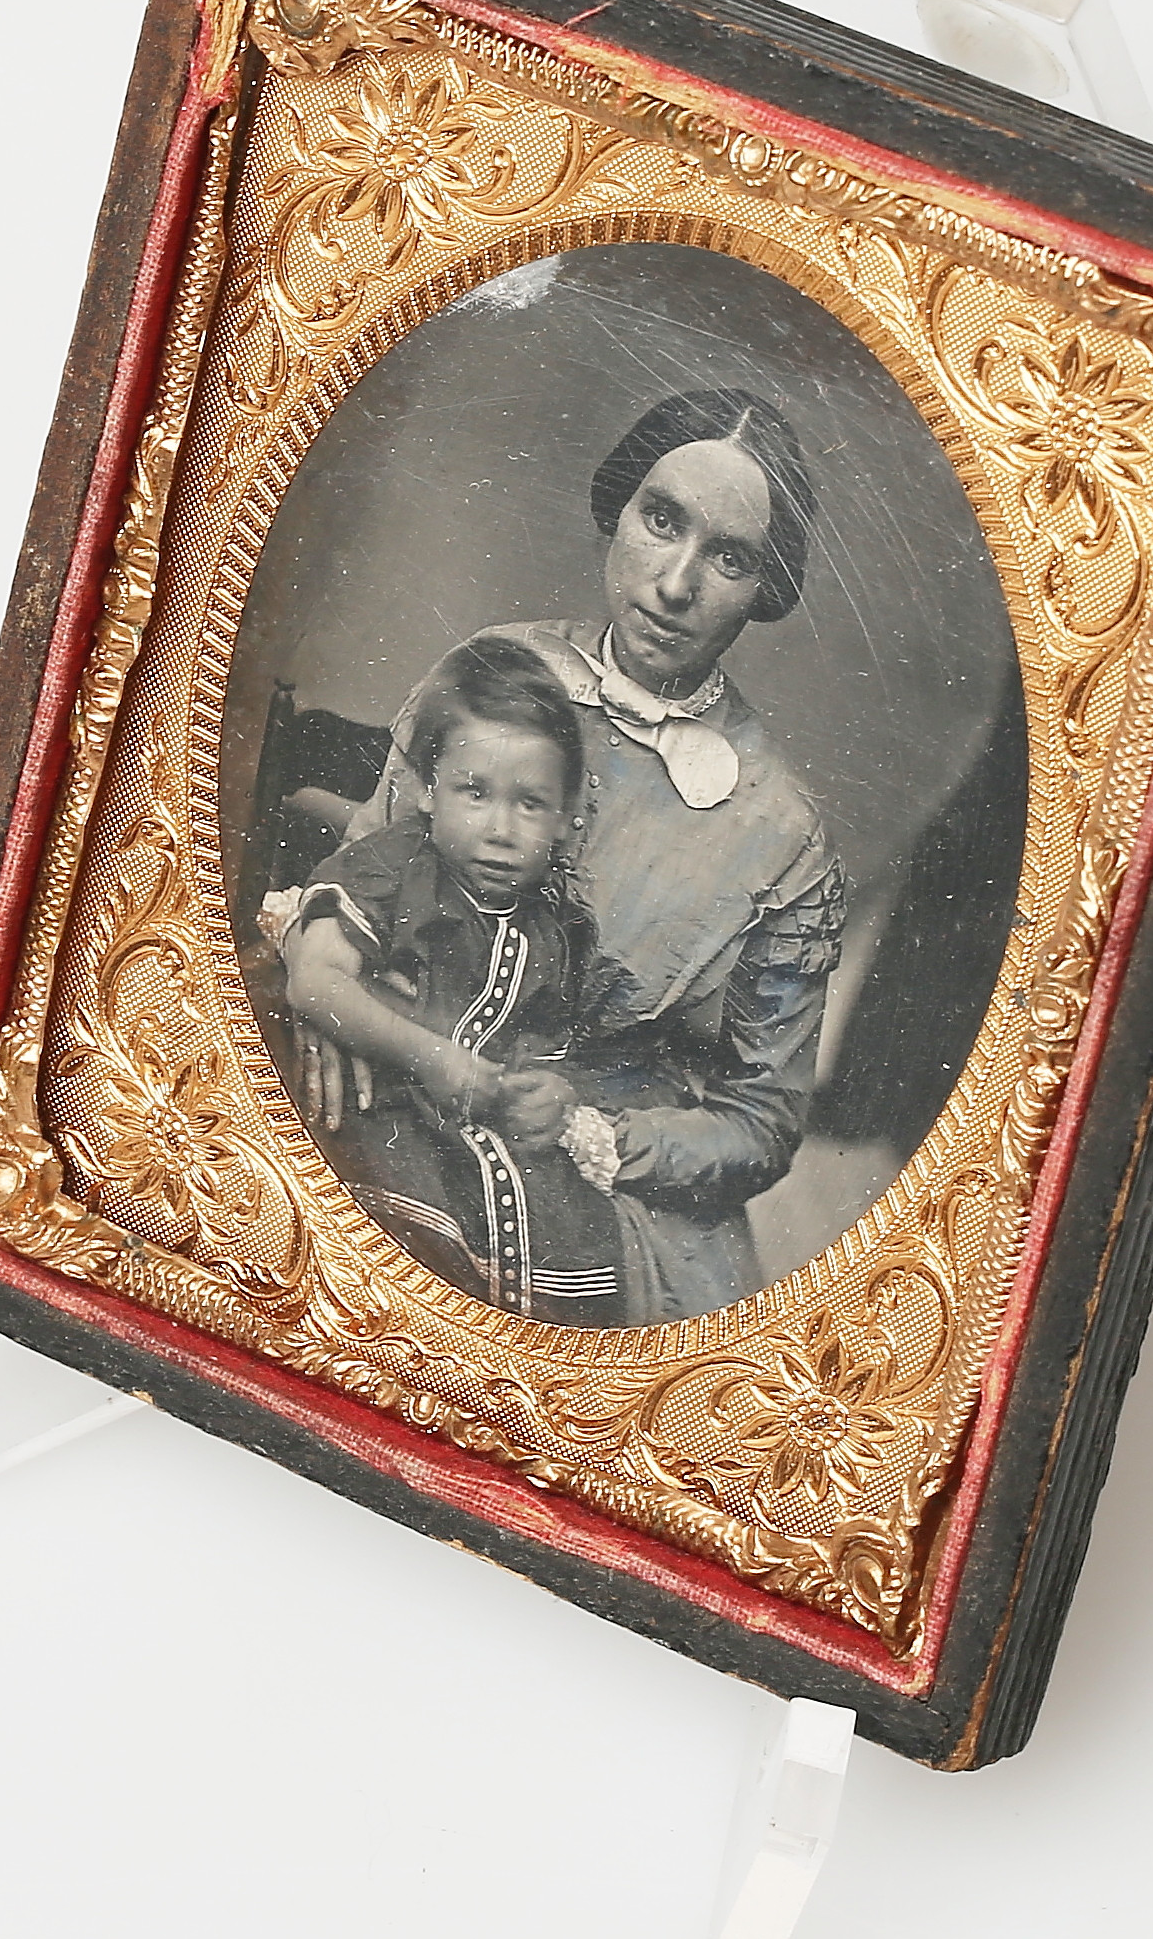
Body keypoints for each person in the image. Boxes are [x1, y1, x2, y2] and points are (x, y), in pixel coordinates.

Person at [305, 387, 846, 1327]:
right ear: (618, 510)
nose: (674, 584)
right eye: (661, 520)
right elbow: (353, 886)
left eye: (728, 557)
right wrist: (331, 1010)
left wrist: (599, 1135)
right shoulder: (490, 669)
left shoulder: (783, 831)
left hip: (600, 1186)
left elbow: (761, 1124)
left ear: (766, 587)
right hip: (394, 1076)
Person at [274, 636, 625, 1322]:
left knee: (575, 1261)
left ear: (564, 818)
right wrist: (433, 1058)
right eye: (474, 793)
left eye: (530, 804)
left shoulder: (558, 924)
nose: (501, 829)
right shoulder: (395, 867)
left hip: (491, 1141)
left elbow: (556, 1046)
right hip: (390, 1117)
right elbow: (314, 982)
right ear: (429, 791)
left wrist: (553, 1092)